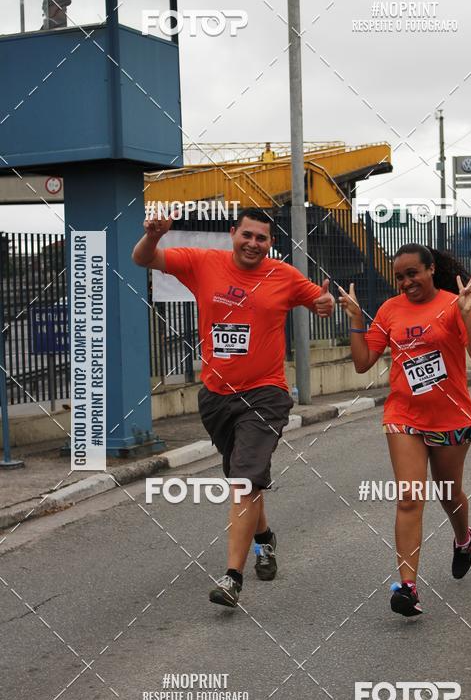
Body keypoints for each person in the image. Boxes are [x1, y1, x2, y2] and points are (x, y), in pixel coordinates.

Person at [132, 207, 334, 608]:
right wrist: (153, 235)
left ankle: (231, 578)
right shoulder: (202, 262)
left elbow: (319, 301)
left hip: (266, 393)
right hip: (216, 396)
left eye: (261, 238)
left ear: (270, 243)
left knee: (244, 480)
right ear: (233, 234)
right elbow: (143, 259)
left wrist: (326, 303)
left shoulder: (284, 276)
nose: (253, 244)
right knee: (245, 481)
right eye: (247, 235)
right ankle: (264, 539)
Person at [339, 243, 471, 618]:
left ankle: (463, 538)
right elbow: (362, 363)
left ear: (430, 269)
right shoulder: (390, 310)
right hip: (403, 415)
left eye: (413, 273)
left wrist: (467, 314)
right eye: (400, 276)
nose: (407, 282)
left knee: (448, 492)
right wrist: (357, 318)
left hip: (451, 417)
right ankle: (407, 587)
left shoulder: (454, 304)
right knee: (409, 497)